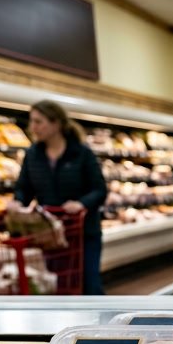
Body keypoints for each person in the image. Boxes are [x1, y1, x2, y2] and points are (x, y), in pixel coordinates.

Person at [11, 100, 108, 294]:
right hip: (51, 235)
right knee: (61, 286)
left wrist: (81, 203)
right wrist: (17, 202)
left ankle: (98, 323)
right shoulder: (33, 155)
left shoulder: (81, 154)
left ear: (56, 124)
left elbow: (100, 190)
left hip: (83, 233)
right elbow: (24, 188)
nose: (33, 127)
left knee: (89, 285)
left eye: (39, 122)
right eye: (32, 122)